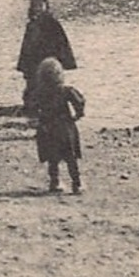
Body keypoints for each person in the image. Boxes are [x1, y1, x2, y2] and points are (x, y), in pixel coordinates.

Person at [29, 58, 85, 194]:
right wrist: (78, 115)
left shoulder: (38, 93)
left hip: (47, 127)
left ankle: (55, 182)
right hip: (65, 127)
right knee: (71, 157)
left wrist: (37, 119)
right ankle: (76, 184)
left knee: (52, 158)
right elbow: (80, 101)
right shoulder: (66, 91)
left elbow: (30, 107)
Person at [16, 0, 76, 112]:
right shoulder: (31, 24)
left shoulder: (52, 23)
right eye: (35, 5)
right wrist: (24, 65)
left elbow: (61, 43)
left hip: (48, 61)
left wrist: (59, 61)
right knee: (31, 85)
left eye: (40, 5)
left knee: (49, 86)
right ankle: (32, 108)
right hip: (33, 61)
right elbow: (26, 47)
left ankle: (45, 109)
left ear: (46, 6)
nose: (37, 8)